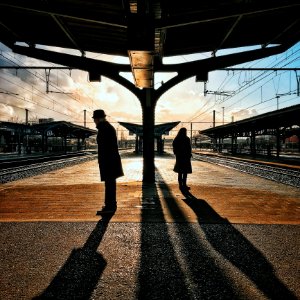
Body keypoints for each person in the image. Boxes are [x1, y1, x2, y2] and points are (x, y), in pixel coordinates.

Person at [92, 109, 124, 214]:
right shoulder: (106, 127)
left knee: (109, 184)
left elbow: (106, 147)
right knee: (110, 183)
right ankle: (110, 205)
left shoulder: (104, 129)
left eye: (95, 119)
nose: (94, 121)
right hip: (110, 161)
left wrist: (104, 161)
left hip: (109, 162)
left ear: (99, 119)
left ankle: (110, 206)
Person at [172, 127, 192, 191]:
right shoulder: (187, 139)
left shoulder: (177, 139)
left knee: (180, 172)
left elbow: (174, 148)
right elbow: (189, 148)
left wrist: (176, 154)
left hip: (180, 157)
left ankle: (181, 185)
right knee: (185, 172)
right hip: (185, 157)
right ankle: (184, 185)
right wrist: (189, 154)